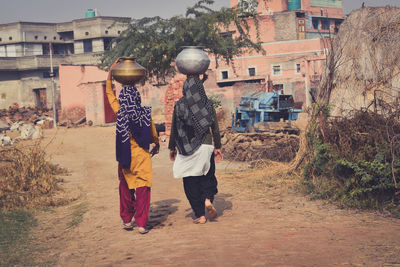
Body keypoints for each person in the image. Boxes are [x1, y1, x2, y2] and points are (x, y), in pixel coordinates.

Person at [106, 58, 160, 234]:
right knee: (143, 189)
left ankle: (127, 220)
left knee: (126, 187)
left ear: (122, 98)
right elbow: (153, 134)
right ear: (137, 97)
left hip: (125, 156)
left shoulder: (120, 111)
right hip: (142, 156)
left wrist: (110, 73)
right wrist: (157, 143)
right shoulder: (144, 113)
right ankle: (142, 224)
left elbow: (109, 95)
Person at [168, 74, 223, 224]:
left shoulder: (179, 105)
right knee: (208, 177)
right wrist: (217, 146)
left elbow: (174, 127)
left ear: (186, 88)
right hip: (205, 146)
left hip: (186, 147)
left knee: (190, 181)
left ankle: (200, 215)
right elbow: (215, 129)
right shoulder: (207, 104)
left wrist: (172, 147)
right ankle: (207, 199)